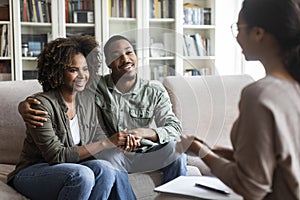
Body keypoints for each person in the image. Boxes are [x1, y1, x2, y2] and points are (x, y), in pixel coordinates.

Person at [18, 35, 186, 184]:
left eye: (129, 52)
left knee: (177, 149)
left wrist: (144, 132)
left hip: (146, 152)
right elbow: (58, 89)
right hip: (115, 153)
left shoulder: (155, 91)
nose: (125, 59)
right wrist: (25, 105)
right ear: (108, 63)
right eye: (116, 56)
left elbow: (175, 129)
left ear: (136, 56)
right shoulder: (95, 86)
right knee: (106, 158)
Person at [176, 0, 300, 199]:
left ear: (258, 33)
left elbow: (251, 187)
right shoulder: (291, 87)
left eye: (238, 28)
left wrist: (200, 151)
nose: (237, 37)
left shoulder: (260, 94)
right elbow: (278, 159)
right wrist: (212, 150)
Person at [8, 35, 136, 200]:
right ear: (58, 72)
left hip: (73, 167)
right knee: (82, 174)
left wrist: (120, 142)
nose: (82, 75)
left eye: (85, 68)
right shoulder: (40, 105)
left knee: (107, 167)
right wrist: (106, 142)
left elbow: (97, 136)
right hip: (34, 171)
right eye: (73, 70)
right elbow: (56, 156)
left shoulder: (88, 100)